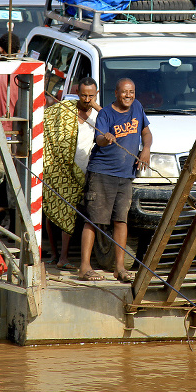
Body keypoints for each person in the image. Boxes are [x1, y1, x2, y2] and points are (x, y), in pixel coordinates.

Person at [78, 78, 152, 283]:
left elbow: (146, 131)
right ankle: (85, 267)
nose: (128, 96)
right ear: (116, 93)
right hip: (102, 174)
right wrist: (106, 137)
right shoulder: (105, 114)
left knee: (121, 220)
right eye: (124, 92)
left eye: (132, 91)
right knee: (94, 220)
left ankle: (119, 268)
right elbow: (99, 139)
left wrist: (145, 149)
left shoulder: (137, 107)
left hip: (126, 175)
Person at [43, 77, 101, 270]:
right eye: (83, 95)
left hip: (84, 170)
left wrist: (98, 107)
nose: (87, 99)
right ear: (77, 93)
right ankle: (56, 254)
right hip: (60, 167)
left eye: (91, 96)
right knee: (54, 208)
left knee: (75, 212)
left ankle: (65, 256)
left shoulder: (100, 115)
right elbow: (45, 120)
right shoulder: (65, 109)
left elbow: (114, 121)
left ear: (96, 94)